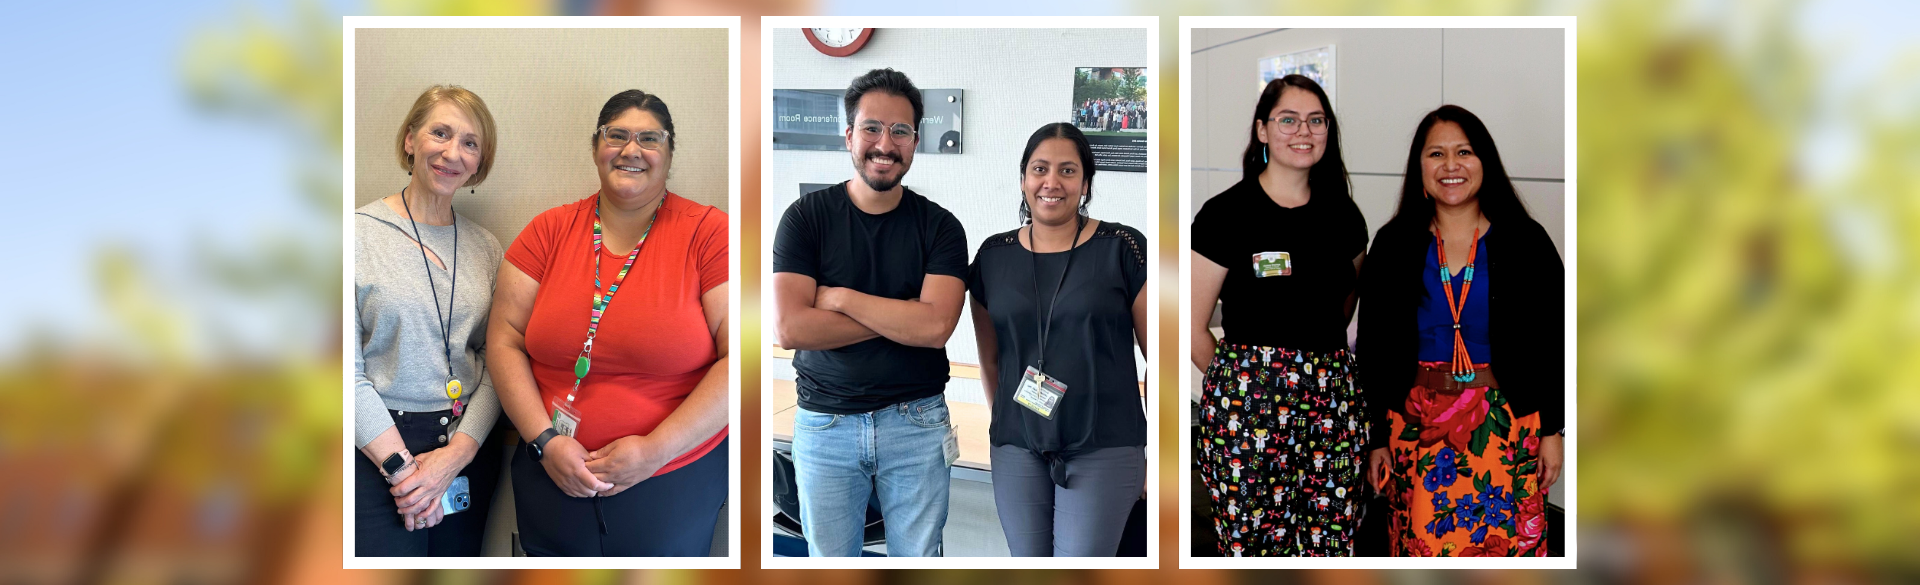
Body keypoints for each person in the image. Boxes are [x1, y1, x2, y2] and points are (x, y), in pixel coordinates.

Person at [487, 89, 729, 556]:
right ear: (596, 147)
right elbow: (504, 340)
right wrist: (545, 442)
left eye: (649, 139)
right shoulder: (547, 231)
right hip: (550, 471)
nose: (631, 149)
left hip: (670, 478)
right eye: (616, 135)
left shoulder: (709, 233)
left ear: (669, 153)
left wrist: (656, 449)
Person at [771, 68, 968, 557]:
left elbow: (935, 326)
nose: (886, 143)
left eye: (900, 131)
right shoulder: (805, 219)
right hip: (824, 425)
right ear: (849, 136)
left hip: (917, 425)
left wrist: (840, 298)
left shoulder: (940, 228)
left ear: (916, 142)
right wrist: (901, 317)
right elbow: (791, 327)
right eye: (872, 128)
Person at [1360, 105, 1565, 557]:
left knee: (1505, 551)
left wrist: (1554, 429)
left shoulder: (1526, 241)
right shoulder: (1394, 244)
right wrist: (1375, 438)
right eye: (1436, 154)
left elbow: (1557, 341)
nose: (1450, 166)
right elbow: (1372, 349)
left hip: (1506, 423)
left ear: (1484, 161)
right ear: (1420, 168)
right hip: (1414, 426)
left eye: (1464, 152)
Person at [1189, 75, 1369, 557]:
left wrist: (1311, 375)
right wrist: (1245, 380)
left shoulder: (1345, 216)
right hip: (1249, 410)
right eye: (1288, 120)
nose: (1303, 131)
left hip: (1335, 406)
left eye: (1315, 120)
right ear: (1263, 130)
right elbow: (1190, 325)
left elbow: (1342, 305)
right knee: (1255, 546)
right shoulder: (1225, 214)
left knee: (1330, 542)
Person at [967, 123, 1149, 556]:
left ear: (1085, 184)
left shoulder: (1122, 247)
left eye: (1068, 171)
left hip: (1105, 442)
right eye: (1039, 169)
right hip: (1017, 445)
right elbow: (991, 360)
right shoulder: (992, 256)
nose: (1052, 182)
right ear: (1024, 179)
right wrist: (1010, 425)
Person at [353, 84, 505, 556]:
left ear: (479, 163)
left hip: (466, 444)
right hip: (375, 446)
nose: (452, 152)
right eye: (440, 132)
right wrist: (404, 471)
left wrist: (455, 456)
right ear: (410, 139)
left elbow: (498, 359)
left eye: (470, 142)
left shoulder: (487, 248)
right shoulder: (353, 235)